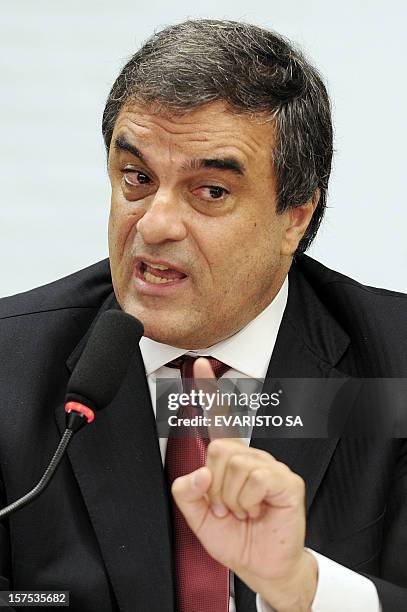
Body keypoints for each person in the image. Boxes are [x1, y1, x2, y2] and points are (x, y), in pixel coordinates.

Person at [0, 18, 406, 612]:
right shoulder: (10, 364)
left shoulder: (395, 363)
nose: (155, 225)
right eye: (137, 178)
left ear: (295, 215)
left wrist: (302, 588)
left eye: (210, 191)